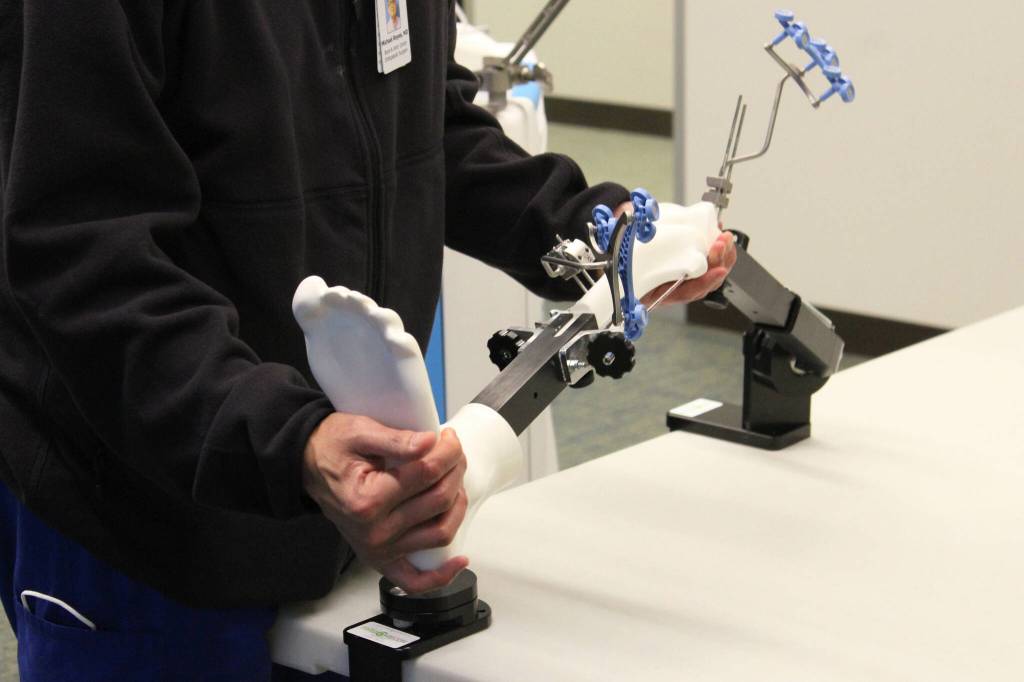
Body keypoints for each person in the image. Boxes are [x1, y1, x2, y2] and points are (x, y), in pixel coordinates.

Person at [0, 2, 736, 679]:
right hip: (144, 526)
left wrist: (592, 232)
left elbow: (427, 126)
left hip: (335, 498)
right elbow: (85, 251)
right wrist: (291, 441)